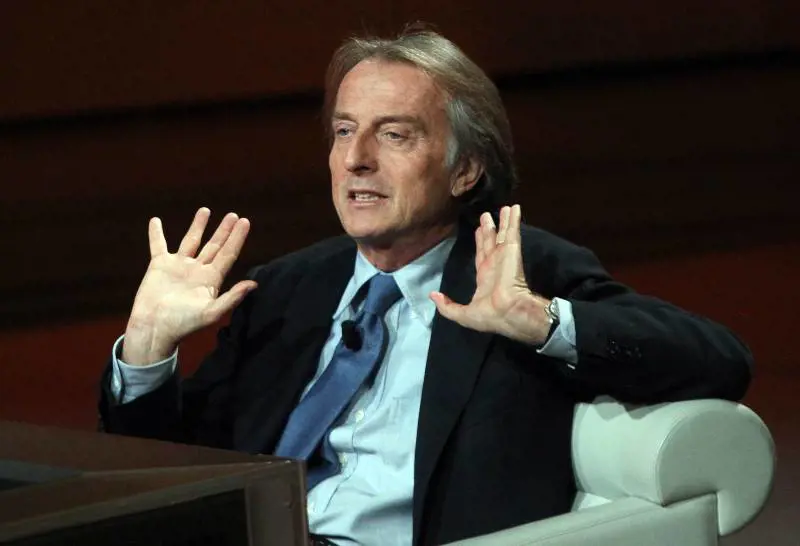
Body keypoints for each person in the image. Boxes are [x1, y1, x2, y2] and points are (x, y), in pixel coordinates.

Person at [99, 29, 752, 546]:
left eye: (394, 134)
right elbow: (176, 469)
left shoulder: (516, 272)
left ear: (465, 169)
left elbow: (720, 360)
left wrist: (543, 322)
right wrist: (149, 353)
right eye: (344, 131)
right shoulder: (286, 289)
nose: (356, 159)